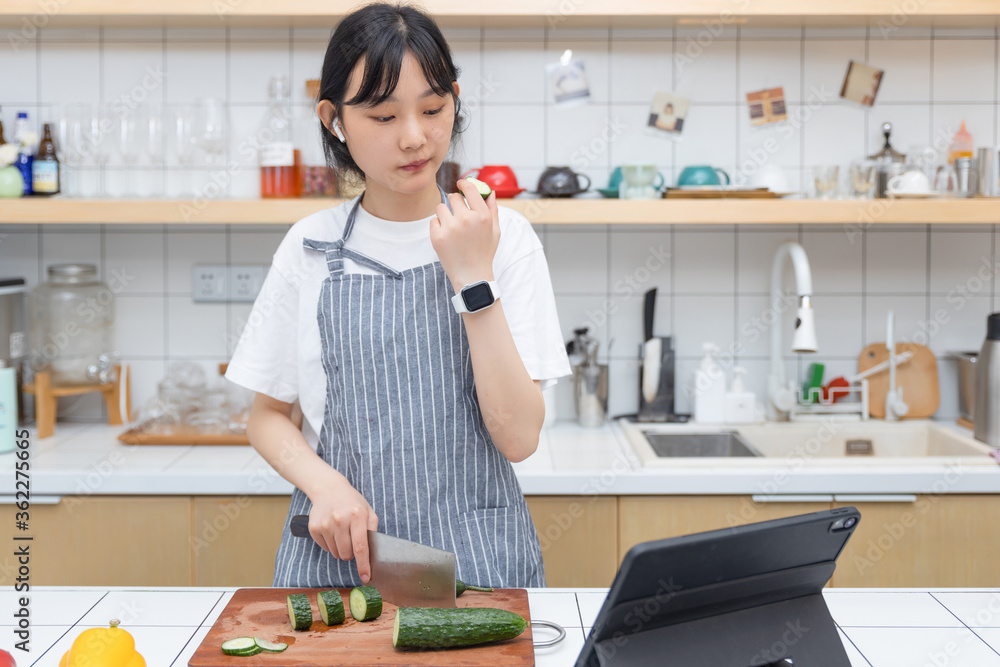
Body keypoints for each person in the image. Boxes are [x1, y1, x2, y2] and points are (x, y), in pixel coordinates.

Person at [225, 2, 571, 589]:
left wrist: (471, 276)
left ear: (454, 100)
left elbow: (518, 437)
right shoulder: (310, 245)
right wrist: (324, 484)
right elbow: (266, 418)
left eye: (433, 109)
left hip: (478, 569)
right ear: (334, 119)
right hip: (341, 566)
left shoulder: (503, 237)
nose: (415, 138)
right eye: (384, 117)